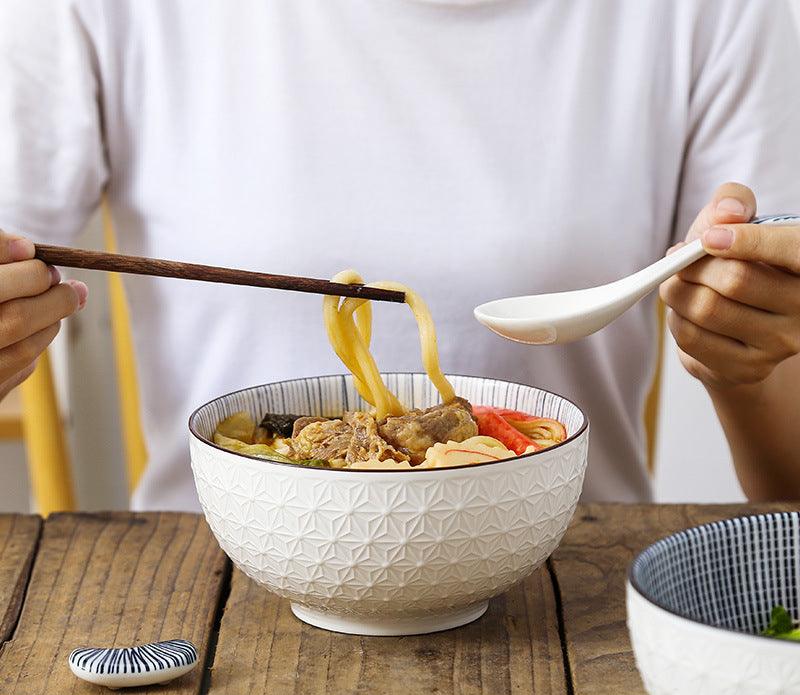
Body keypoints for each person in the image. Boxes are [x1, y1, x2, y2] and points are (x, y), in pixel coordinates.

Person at [1, 0, 799, 509]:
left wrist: (746, 359)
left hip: (572, 589)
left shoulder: (718, 14)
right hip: (209, 584)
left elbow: (788, 486)